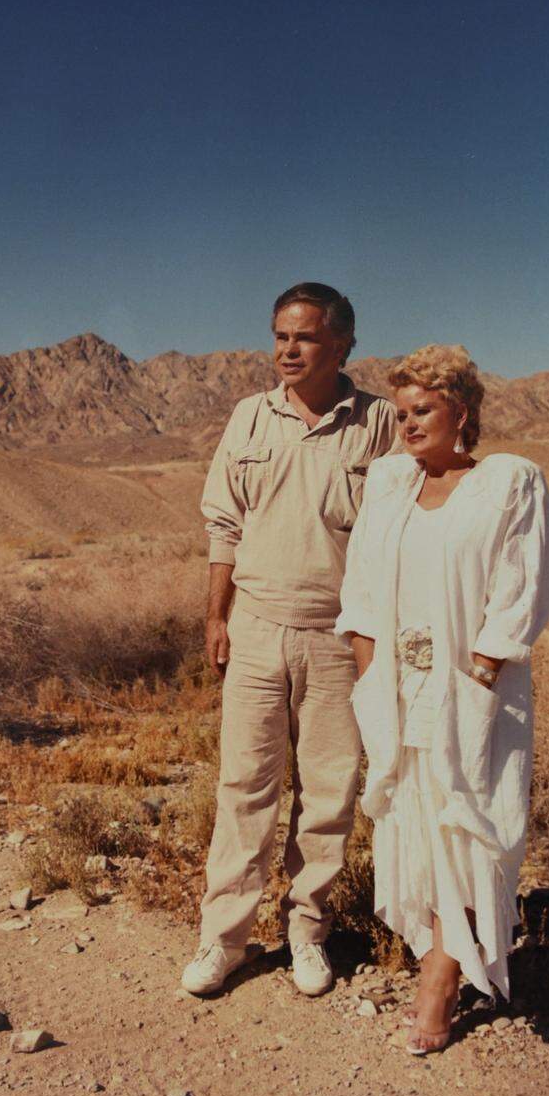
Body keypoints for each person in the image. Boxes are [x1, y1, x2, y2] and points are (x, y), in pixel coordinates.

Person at [335, 344, 549, 1053]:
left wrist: (480, 681)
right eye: (399, 412)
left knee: (472, 820)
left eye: (422, 409)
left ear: (461, 409)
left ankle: (441, 977)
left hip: (476, 689)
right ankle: (443, 947)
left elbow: (521, 591)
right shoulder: (392, 482)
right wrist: (372, 680)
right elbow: (363, 591)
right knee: (415, 821)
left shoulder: (509, 482)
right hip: (398, 688)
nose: (406, 424)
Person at [181, 283, 397, 997]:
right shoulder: (248, 419)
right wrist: (216, 618)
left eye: (303, 338)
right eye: (279, 336)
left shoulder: (379, 425)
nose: (287, 350)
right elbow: (224, 527)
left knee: (330, 792)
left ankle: (307, 931)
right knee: (244, 786)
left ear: (341, 344)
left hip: (339, 639)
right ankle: (225, 940)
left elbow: (403, 530)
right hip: (255, 629)